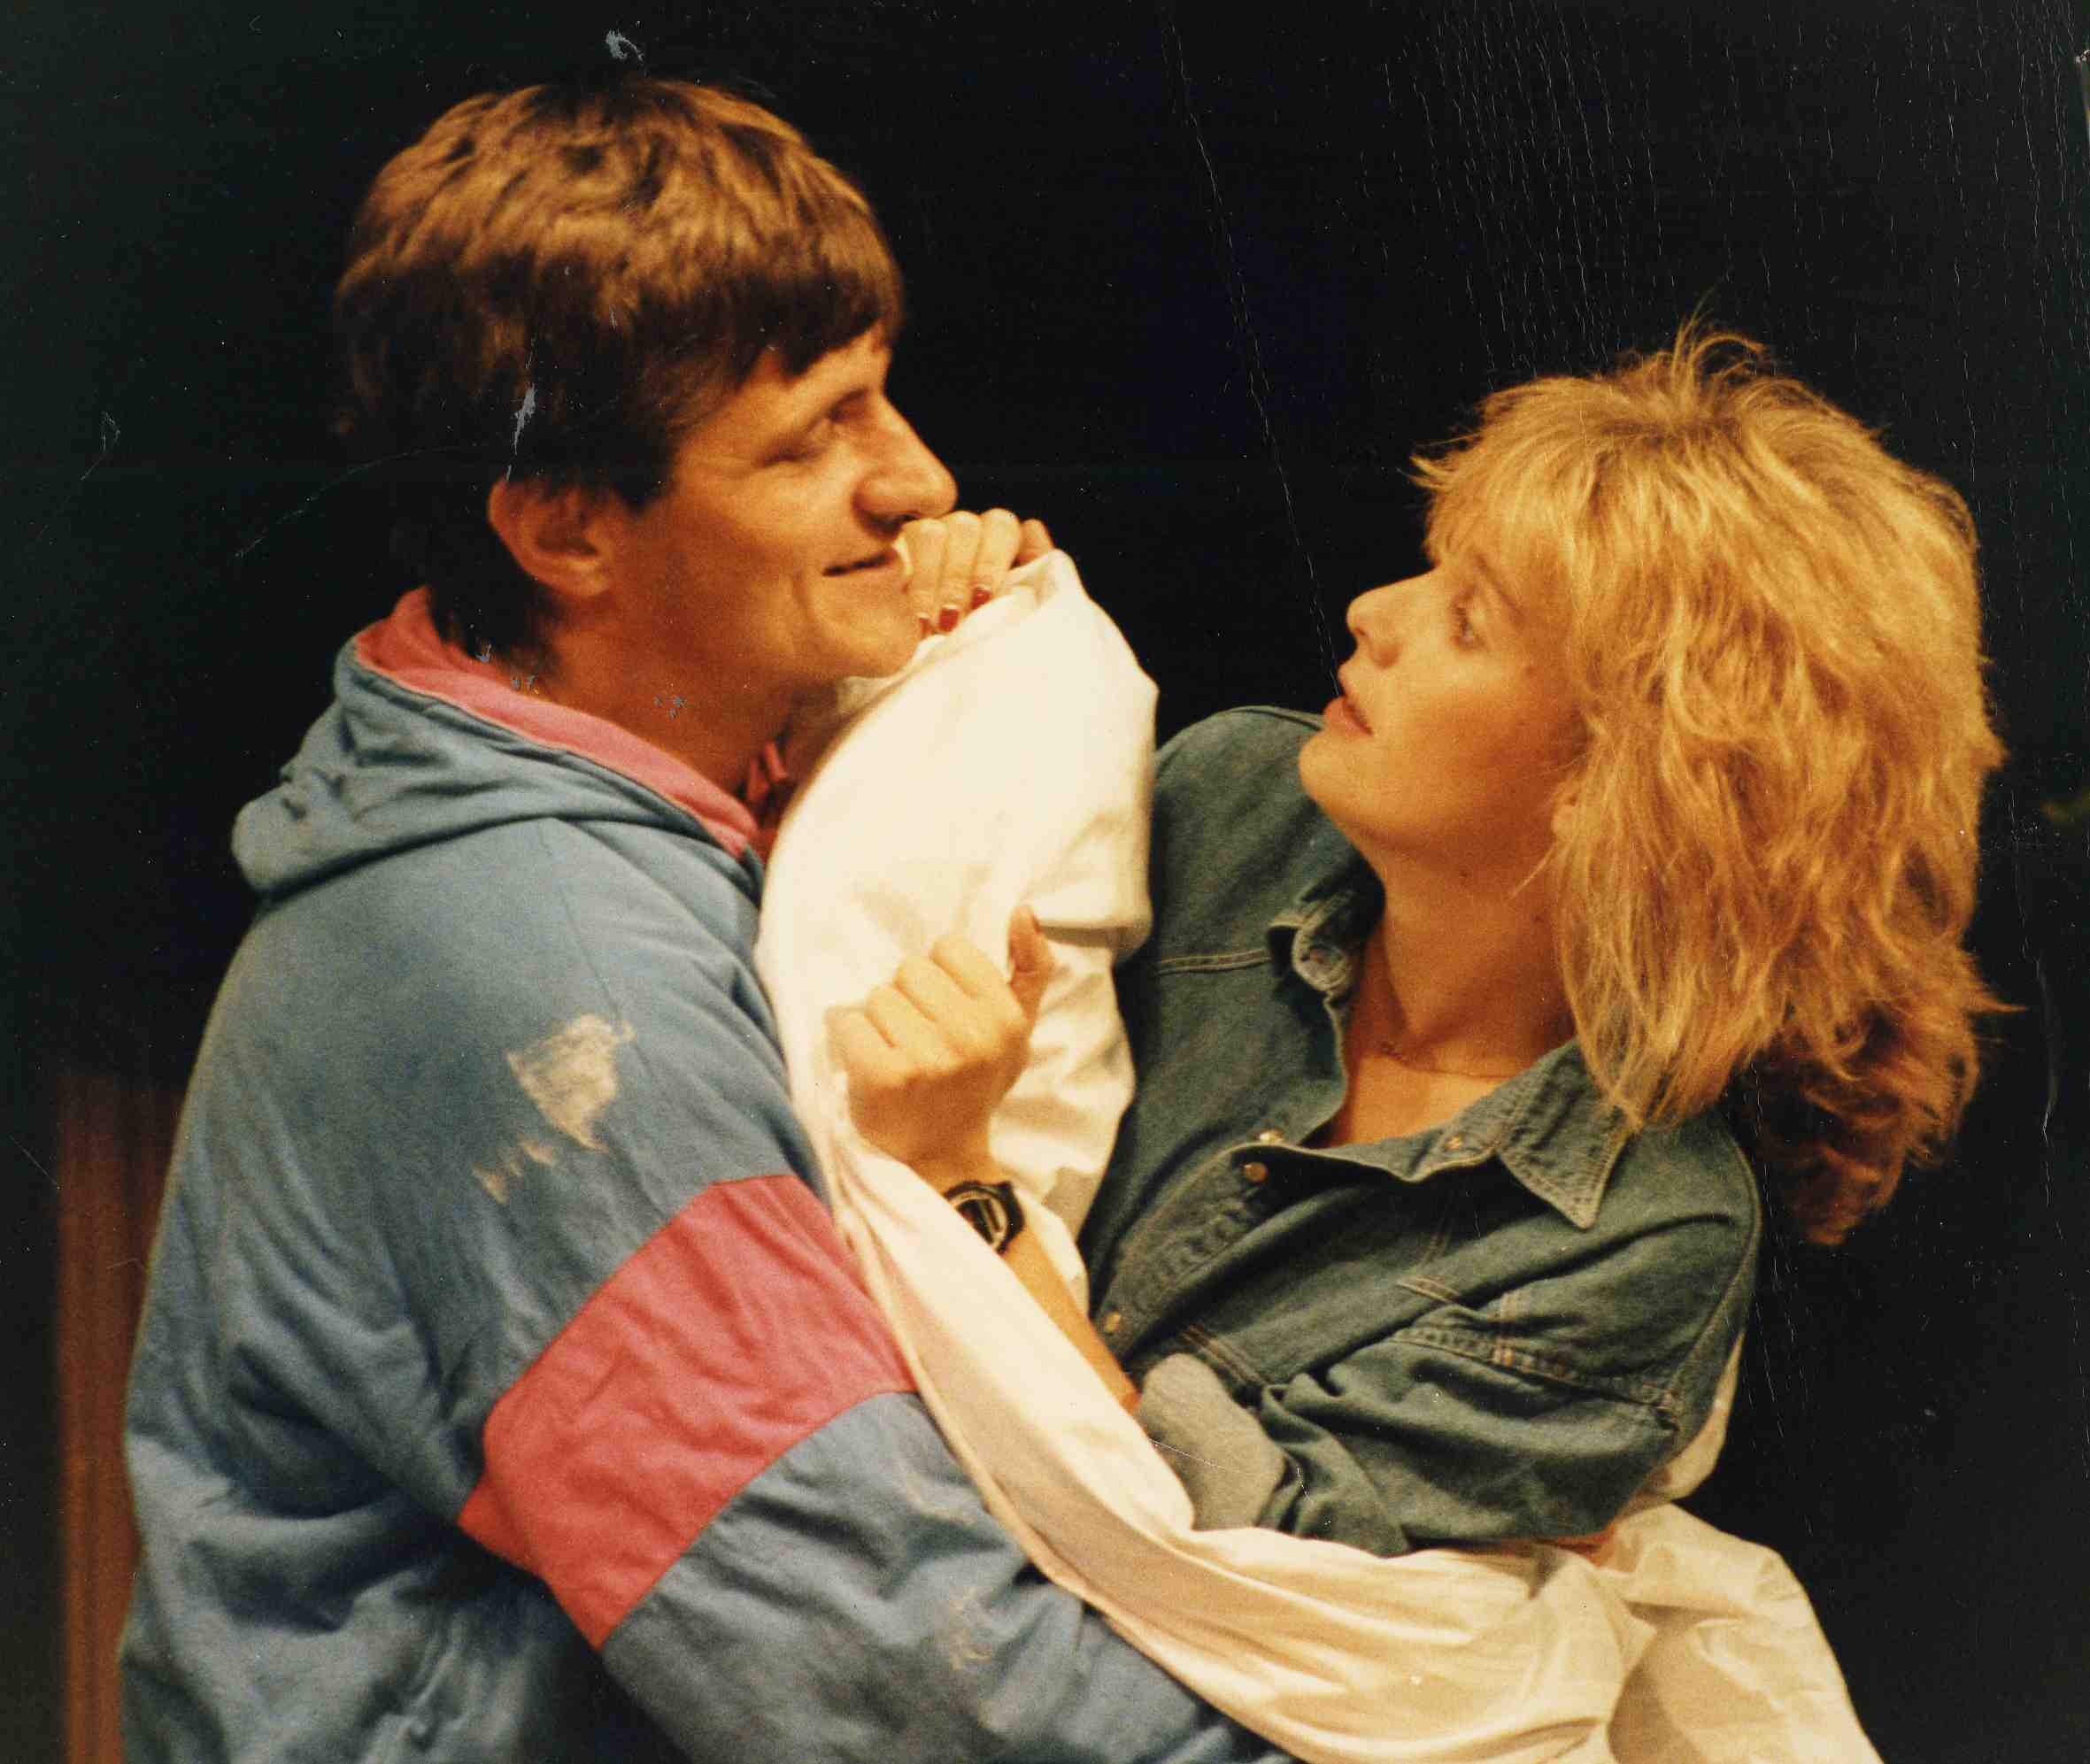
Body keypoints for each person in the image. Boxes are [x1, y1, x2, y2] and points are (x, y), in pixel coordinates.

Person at [118, 76, 1297, 1762]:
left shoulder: (593, 784)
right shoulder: (549, 981)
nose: (917, 477)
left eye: (880, 395)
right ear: (564, 528)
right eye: (811, 439)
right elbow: (883, 1660)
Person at [842, 324, 2003, 1563]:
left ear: (1627, 783)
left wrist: (961, 1185)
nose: (1371, 613)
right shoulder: (1234, 800)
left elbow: (1219, 1557)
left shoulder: (1640, 1238)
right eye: (1432, 569)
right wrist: (940, 641)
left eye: (1468, 619)